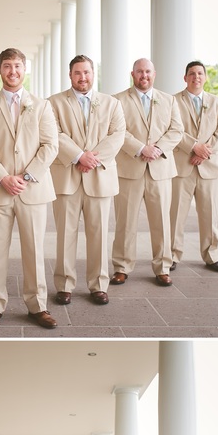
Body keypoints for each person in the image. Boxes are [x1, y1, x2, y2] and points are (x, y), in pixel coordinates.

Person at [0, 48, 59, 330]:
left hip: (32, 189)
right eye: (7, 66)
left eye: (18, 66)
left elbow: (50, 146)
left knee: (34, 250)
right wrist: (3, 177)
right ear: (0, 70)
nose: (13, 71)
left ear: (25, 69)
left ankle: (37, 305)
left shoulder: (42, 105)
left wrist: (27, 175)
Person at [48, 56, 125, 306]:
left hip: (100, 177)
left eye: (87, 72)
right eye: (78, 73)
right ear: (70, 75)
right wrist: (79, 155)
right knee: (65, 235)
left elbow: (117, 135)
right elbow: (53, 134)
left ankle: (99, 285)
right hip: (66, 178)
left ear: (94, 73)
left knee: (99, 234)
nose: (83, 78)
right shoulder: (54, 103)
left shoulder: (112, 104)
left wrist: (91, 159)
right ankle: (64, 285)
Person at [110, 58, 183, 287]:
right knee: (125, 222)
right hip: (129, 170)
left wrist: (158, 149)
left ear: (154, 73)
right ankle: (121, 267)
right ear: (132, 74)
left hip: (160, 170)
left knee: (162, 222)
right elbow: (116, 131)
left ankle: (162, 267)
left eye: (148, 71)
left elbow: (177, 129)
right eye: (140, 71)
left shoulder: (169, 100)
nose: (144, 75)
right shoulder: (118, 101)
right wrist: (141, 148)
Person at [170, 61, 218, 273]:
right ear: (185, 77)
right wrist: (193, 147)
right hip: (181, 167)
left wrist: (205, 152)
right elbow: (172, 130)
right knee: (176, 215)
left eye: (200, 73)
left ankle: (212, 256)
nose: (196, 77)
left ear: (205, 77)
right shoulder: (173, 101)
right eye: (192, 74)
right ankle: (172, 255)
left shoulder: (217, 102)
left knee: (211, 215)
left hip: (210, 167)